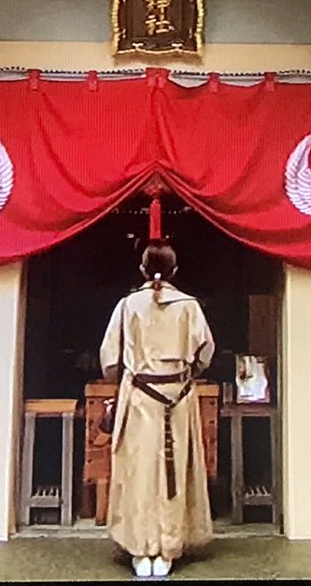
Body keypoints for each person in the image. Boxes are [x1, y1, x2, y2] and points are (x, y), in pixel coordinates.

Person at [99, 242, 216, 578]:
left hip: (140, 398)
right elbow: (205, 351)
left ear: (142, 269)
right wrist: (186, 371)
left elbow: (110, 358)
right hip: (177, 396)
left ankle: (142, 550)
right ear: (175, 270)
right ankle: (168, 547)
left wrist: (124, 376)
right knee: (174, 472)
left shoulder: (128, 305)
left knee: (140, 471)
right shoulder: (190, 306)